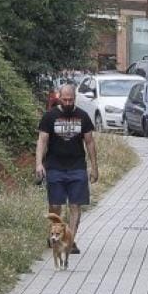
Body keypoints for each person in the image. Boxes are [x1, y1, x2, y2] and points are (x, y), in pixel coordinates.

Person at [35, 81, 99, 254]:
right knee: (55, 205)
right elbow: (42, 141)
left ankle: (69, 241)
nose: (68, 103)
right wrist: (39, 163)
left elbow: (90, 142)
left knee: (75, 206)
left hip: (77, 166)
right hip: (55, 166)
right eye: (65, 100)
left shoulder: (83, 116)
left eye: (71, 100)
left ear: (75, 98)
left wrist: (94, 167)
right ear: (59, 98)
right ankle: (55, 234)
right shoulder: (49, 117)